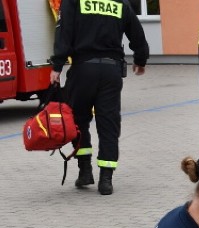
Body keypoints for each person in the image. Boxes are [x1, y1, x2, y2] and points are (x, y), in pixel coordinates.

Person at [50, 0, 149, 196]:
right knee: (108, 123)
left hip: (83, 69)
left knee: (78, 121)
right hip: (111, 71)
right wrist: (140, 59)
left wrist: (57, 65)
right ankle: (106, 179)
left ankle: (85, 171)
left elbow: (64, 32)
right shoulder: (120, 3)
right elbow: (136, 32)